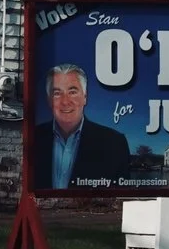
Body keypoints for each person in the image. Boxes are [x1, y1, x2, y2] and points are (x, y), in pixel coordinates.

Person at [29, 62, 130, 190]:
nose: (65, 101)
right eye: (57, 93)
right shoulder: (32, 138)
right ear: (49, 100)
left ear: (85, 97)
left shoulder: (114, 143)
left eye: (72, 92)